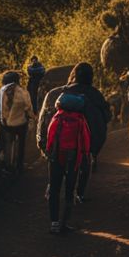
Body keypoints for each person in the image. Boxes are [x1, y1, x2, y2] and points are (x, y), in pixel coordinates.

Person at [39, 62, 110, 203]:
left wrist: (42, 142)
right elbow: (106, 117)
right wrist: (94, 148)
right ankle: (79, 194)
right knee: (85, 163)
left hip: (56, 143)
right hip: (81, 145)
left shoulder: (53, 94)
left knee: (55, 163)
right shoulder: (95, 94)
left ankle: (52, 190)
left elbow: (43, 120)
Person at [44, 90, 90, 234]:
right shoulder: (80, 119)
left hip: (57, 157)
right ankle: (64, 223)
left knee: (54, 190)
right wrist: (85, 156)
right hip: (73, 159)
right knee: (69, 190)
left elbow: (50, 138)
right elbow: (86, 141)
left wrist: (50, 154)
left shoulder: (57, 117)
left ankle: (54, 224)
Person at [0, 69, 36, 173]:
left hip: (5, 125)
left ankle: (5, 164)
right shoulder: (23, 91)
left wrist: (3, 121)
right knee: (21, 143)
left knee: (6, 141)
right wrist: (33, 118)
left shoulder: (1, 91)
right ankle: (19, 165)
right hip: (20, 124)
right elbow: (28, 109)